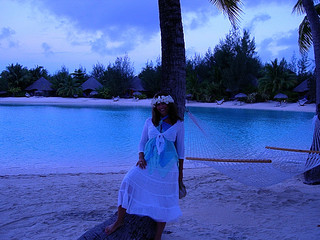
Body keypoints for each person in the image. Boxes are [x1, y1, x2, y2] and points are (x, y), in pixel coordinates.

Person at [105, 92, 185, 240]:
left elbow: (181, 151)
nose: (161, 106)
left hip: (168, 168)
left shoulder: (178, 124)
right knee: (128, 181)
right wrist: (140, 157)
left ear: (169, 105)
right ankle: (119, 221)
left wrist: (180, 173)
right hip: (147, 162)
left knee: (163, 200)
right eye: (158, 104)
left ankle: (158, 237)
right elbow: (142, 142)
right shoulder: (149, 122)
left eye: (164, 103)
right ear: (155, 106)